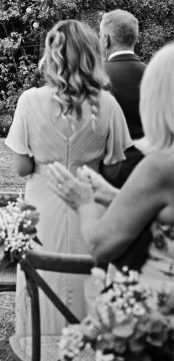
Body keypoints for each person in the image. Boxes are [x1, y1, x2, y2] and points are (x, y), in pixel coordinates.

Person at [5, 19, 131, 337]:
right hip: (90, 208)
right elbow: (114, 169)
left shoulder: (29, 100)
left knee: (43, 274)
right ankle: (86, 343)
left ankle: (38, 342)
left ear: (52, 55)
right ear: (92, 54)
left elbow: (21, 167)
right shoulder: (109, 105)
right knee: (86, 278)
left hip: (41, 207)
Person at [48, 42, 174, 293]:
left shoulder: (162, 167)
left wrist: (84, 202)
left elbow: (100, 244)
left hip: (157, 312)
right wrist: (111, 194)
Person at [99, 10, 147, 187]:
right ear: (136, 38)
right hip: (148, 169)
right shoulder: (154, 75)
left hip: (108, 171)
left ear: (106, 39)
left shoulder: (96, 77)